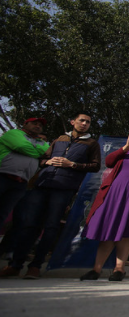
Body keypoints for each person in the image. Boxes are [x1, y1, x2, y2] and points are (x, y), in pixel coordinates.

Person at [1, 113, 100, 280]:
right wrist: (46, 162)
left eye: (87, 122)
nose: (84, 124)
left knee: (51, 226)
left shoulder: (91, 144)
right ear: (73, 121)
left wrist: (72, 164)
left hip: (64, 188)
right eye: (81, 120)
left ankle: (35, 266)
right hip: (42, 185)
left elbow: (95, 166)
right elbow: (43, 157)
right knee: (29, 225)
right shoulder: (59, 139)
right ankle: (15, 265)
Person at [79, 128, 129, 281]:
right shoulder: (125, 150)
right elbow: (109, 161)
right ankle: (96, 269)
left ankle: (119, 269)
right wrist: (126, 147)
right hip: (113, 193)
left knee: (126, 231)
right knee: (108, 230)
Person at [0, 118, 49, 228]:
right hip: (3, 175)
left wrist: (38, 152)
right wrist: (39, 154)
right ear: (25, 124)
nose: (37, 126)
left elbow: (47, 153)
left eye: (40, 125)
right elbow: (20, 146)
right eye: (34, 123)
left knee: (3, 213)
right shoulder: (14, 133)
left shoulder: (42, 142)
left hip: (21, 183)